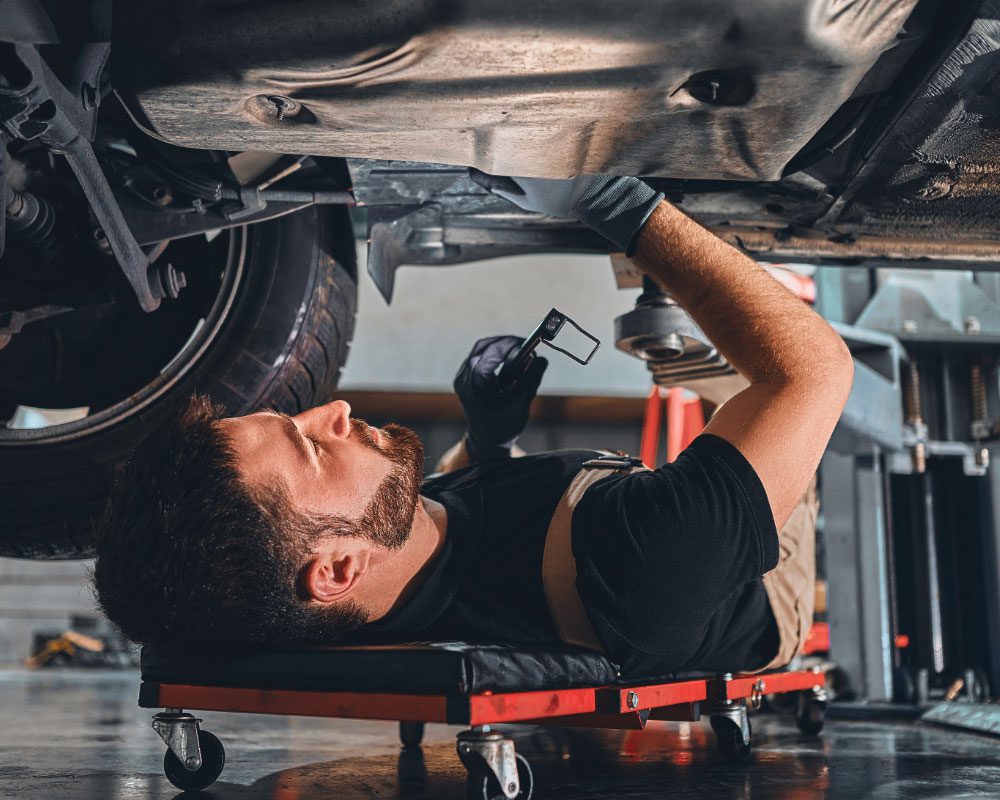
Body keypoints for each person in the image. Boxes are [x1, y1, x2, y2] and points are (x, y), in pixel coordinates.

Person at [93, 172, 852, 677]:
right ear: (335, 572)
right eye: (311, 446)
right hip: (753, 582)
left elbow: (452, 526)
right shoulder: (642, 565)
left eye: (297, 417)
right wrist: (621, 203)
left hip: (594, 516)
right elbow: (815, 372)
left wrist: (489, 435)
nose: (334, 410)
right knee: (732, 361)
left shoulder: (366, 580)